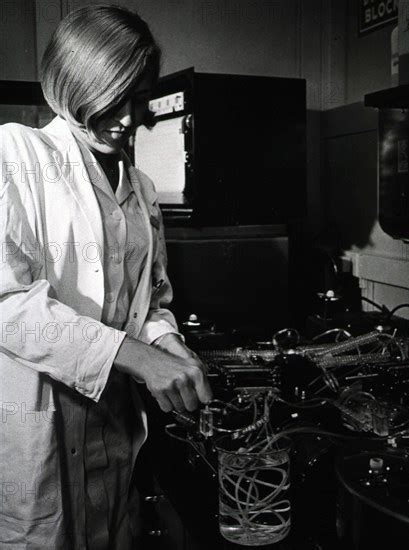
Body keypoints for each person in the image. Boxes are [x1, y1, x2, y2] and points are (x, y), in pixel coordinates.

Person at [0, 5, 212, 549]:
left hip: (115, 432)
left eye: (139, 98)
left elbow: (151, 300)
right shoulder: (16, 155)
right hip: (41, 428)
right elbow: (8, 304)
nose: (129, 117)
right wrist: (139, 357)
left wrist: (168, 345)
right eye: (114, 98)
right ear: (73, 84)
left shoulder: (140, 189)